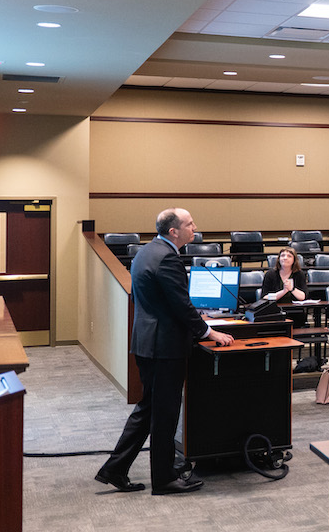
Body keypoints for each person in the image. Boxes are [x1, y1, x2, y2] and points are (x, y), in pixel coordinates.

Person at [97, 208, 233, 496]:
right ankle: (164, 478)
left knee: (147, 410)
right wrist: (210, 332)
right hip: (165, 347)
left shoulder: (147, 251)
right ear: (174, 231)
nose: (194, 227)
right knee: (165, 414)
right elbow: (181, 306)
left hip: (147, 343)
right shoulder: (168, 257)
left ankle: (115, 469)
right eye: (189, 224)